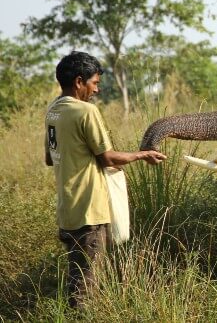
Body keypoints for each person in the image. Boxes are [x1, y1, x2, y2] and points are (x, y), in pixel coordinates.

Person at [44, 51, 166, 308]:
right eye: (95, 83)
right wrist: (142, 154)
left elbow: (49, 157)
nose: (97, 90)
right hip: (89, 209)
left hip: (67, 209)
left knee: (78, 276)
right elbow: (108, 157)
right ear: (79, 82)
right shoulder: (86, 111)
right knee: (85, 289)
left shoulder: (53, 111)